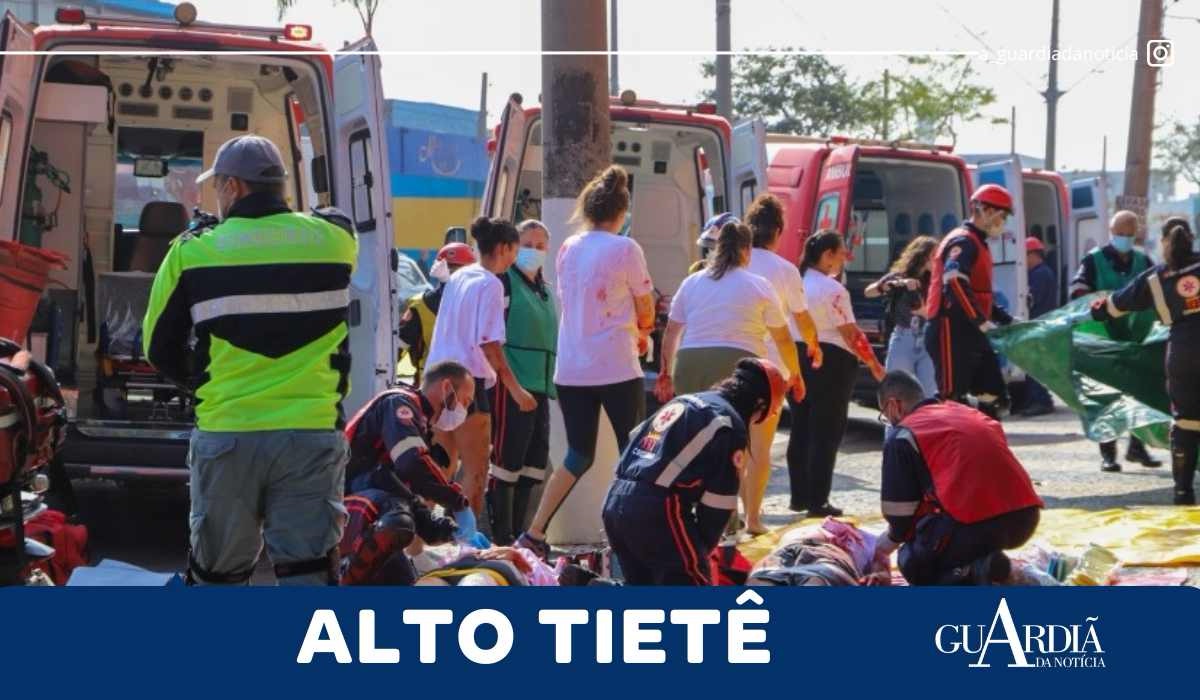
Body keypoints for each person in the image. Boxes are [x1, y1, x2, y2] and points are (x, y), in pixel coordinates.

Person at [143, 134, 356, 585]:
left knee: (218, 577)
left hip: (229, 434)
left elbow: (158, 348)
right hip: (311, 434)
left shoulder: (192, 252)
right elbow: (336, 223)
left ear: (234, 188)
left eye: (217, 185)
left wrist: (203, 384)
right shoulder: (336, 242)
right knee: (310, 576)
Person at [517, 166, 655, 558]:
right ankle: (624, 537)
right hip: (615, 365)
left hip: (572, 369)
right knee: (636, 451)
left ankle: (535, 531)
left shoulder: (567, 248)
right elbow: (645, 312)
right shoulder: (625, 248)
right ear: (622, 211)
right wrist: (642, 327)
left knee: (579, 454)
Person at [603, 358, 787, 584]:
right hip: (657, 508)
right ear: (759, 404)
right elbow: (717, 506)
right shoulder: (728, 424)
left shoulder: (684, 402)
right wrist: (699, 553)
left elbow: (634, 437)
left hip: (614, 500)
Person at [873, 371, 1043, 585]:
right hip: (1024, 517)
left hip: (976, 526)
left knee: (912, 560)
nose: (890, 422)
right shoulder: (967, 412)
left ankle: (985, 568)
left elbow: (899, 514)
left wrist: (885, 546)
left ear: (894, 405)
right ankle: (987, 565)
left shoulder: (904, 435)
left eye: (886, 416)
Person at [425, 217, 536, 515]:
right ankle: (467, 542)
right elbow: (490, 346)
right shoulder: (491, 284)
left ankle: (418, 543)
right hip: (467, 383)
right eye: (515, 250)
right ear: (504, 248)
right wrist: (516, 390)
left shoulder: (460, 277)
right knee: (476, 471)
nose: (516, 257)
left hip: (435, 380)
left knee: (438, 470)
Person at [339, 361, 482, 585]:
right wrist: (457, 501)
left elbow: (404, 492)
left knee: (405, 582)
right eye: (465, 401)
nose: (465, 410)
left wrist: (449, 531)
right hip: (342, 504)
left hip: (369, 510)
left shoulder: (419, 422)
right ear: (446, 387)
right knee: (398, 518)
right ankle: (342, 581)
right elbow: (412, 463)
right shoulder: (399, 404)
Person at [1091, 218, 1200, 504]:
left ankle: (1183, 493)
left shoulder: (1156, 278)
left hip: (1182, 354)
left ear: (1165, 241)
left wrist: (1096, 309)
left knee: (1186, 423)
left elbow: (1114, 307)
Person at [789, 230, 886, 517]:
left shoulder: (798, 283)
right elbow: (851, 334)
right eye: (842, 251)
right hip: (831, 361)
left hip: (798, 357)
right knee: (826, 431)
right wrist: (876, 367)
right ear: (828, 255)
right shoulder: (833, 290)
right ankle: (818, 500)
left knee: (801, 426)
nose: (845, 257)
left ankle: (801, 496)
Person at [1070, 210, 1163, 471]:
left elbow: (1157, 291)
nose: (1123, 238)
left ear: (1135, 234)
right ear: (1111, 233)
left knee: (1141, 392)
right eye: (1119, 234)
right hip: (1104, 337)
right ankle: (1108, 453)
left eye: (1128, 234)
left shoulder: (1143, 261)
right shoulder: (1093, 260)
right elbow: (1078, 289)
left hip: (1136, 337)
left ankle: (1137, 447)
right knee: (1104, 395)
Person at [489, 219, 558, 545]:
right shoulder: (505, 283)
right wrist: (512, 386)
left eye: (540, 246)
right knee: (507, 462)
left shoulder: (545, 290)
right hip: (513, 384)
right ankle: (502, 537)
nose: (534, 251)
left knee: (532, 465)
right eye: (527, 245)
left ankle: (519, 535)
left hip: (541, 385)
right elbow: (493, 338)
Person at [924, 184, 1015, 417]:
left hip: (971, 329)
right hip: (950, 328)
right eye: (1001, 216)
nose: (1002, 222)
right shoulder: (963, 242)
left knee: (995, 395)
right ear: (984, 209)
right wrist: (980, 320)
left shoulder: (978, 243)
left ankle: (984, 445)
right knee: (952, 399)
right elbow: (954, 282)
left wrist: (1005, 318)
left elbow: (978, 293)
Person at [865, 235, 938, 399]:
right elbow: (868, 292)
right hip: (903, 337)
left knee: (930, 395)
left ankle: (923, 424)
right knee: (896, 393)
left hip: (928, 339)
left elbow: (934, 312)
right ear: (922, 256)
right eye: (934, 255)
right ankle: (896, 425)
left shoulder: (935, 280)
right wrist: (885, 286)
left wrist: (922, 310)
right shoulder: (899, 276)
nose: (938, 259)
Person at [397, 242, 477, 384]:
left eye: (457, 269)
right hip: (438, 386)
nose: (454, 273)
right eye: (451, 268)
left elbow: (397, 349)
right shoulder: (419, 306)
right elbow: (398, 347)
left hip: (451, 385)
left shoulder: (419, 305)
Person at [1018, 236, 1057, 417]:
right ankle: (1038, 399)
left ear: (1033, 255)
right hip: (1040, 325)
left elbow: (1031, 299)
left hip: (1038, 325)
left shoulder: (1040, 274)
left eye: (1024, 256)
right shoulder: (1043, 272)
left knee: (1034, 365)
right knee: (1035, 365)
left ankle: (1042, 401)